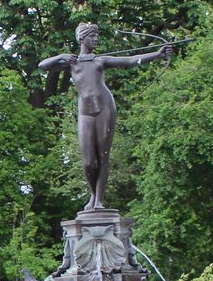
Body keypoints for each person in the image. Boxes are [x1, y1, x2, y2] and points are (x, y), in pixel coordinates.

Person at [39, 22, 171, 211]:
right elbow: (43, 66)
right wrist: (61, 56)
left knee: (103, 156)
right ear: (82, 38)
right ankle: (93, 195)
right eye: (92, 36)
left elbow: (130, 61)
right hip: (85, 111)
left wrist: (157, 55)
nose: (96, 39)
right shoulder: (72, 63)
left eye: (96, 36)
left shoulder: (100, 61)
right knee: (87, 162)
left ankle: (98, 200)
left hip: (105, 108)